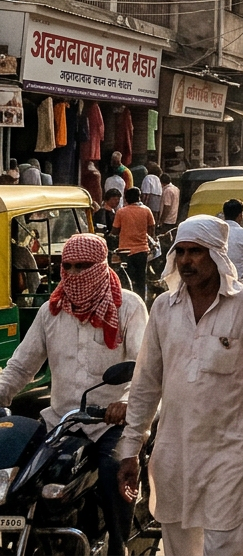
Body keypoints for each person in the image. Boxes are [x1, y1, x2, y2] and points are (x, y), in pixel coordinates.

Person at [117, 215, 243, 556]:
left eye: (195, 251)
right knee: (180, 549)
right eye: (180, 252)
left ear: (217, 255)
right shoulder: (164, 308)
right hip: (173, 453)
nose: (186, 261)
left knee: (224, 547)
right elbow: (146, 385)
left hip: (229, 452)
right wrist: (130, 449)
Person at [0, 233, 147, 555]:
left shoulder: (128, 306)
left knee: (113, 471)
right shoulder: (50, 312)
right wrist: (1, 392)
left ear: (101, 265)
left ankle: (119, 547)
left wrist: (126, 401)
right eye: (69, 266)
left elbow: (146, 369)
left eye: (84, 267)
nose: (75, 275)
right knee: (17, 475)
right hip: (60, 422)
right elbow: (21, 366)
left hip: (110, 422)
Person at [112, 187, 155, 299]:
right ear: (139, 197)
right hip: (142, 250)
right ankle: (141, 301)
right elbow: (152, 230)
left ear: (126, 199)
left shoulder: (121, 212)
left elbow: (115, 231)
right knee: (141, 278)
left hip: (125, 251)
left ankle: (127, 300)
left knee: (127, 279)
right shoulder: (146, 210)